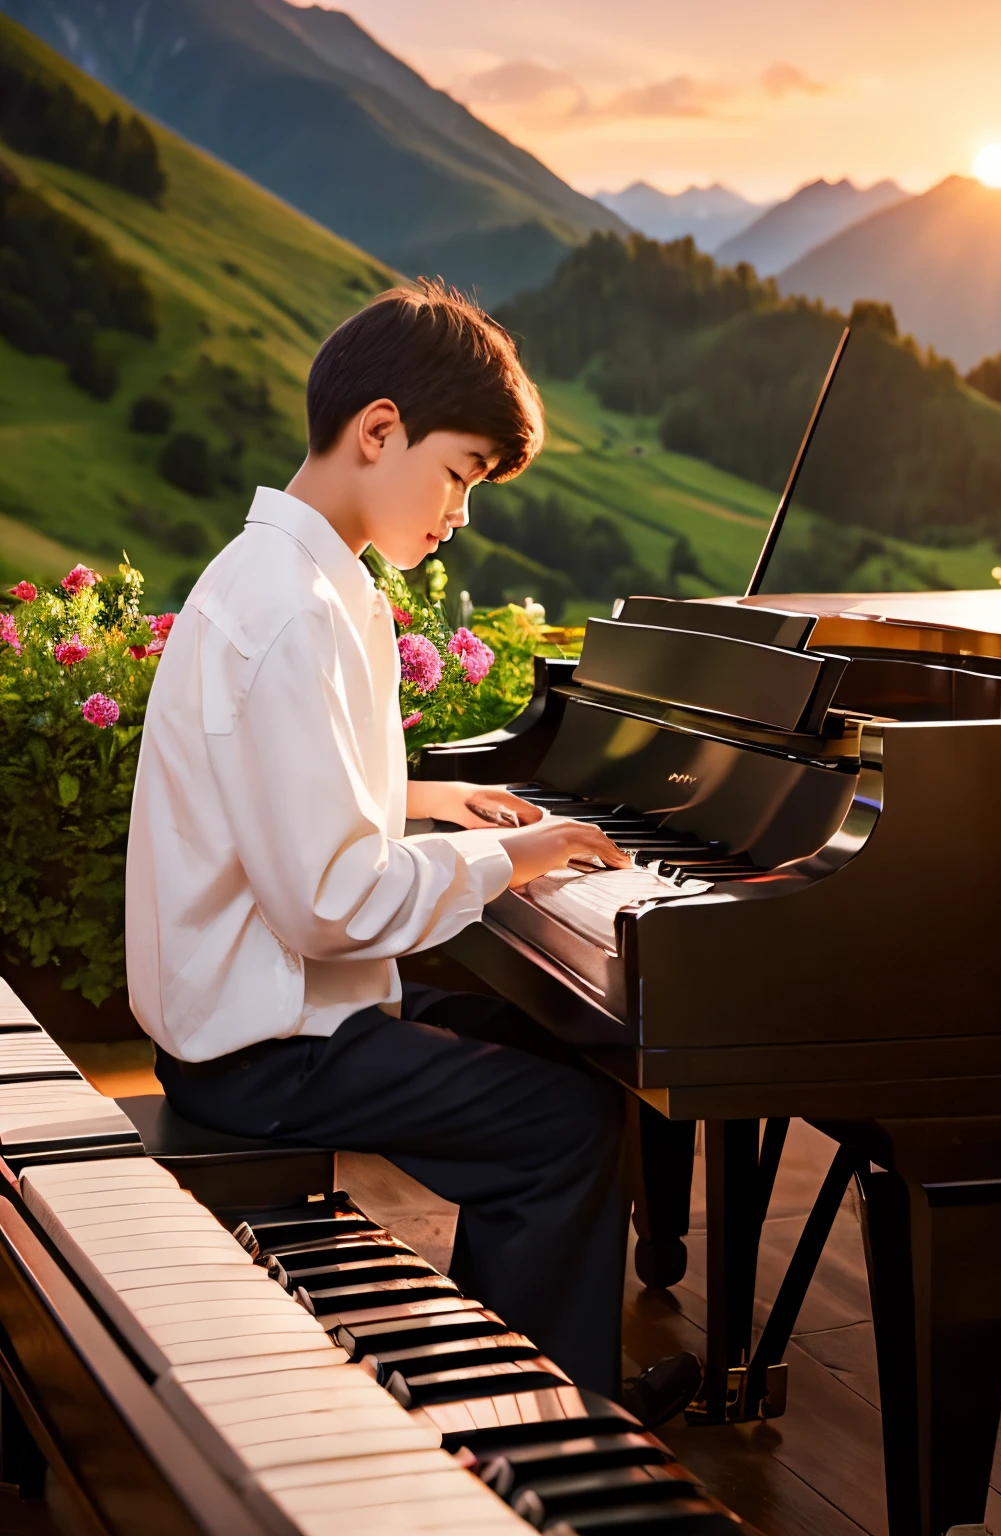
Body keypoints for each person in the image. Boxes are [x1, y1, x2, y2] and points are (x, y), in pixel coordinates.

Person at [125, 282, 633, 1399]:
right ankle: (517, 1423)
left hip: (278, 1013)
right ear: (377, 431)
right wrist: (524, 856)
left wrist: (430, 803)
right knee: (564, 1126)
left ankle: (555, 1367)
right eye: (458, 474)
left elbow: (284, 791)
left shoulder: (296, 575)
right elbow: (328, 903)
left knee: (564, 1048)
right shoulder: (294, 608)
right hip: (265, 1052)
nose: (461, 513)